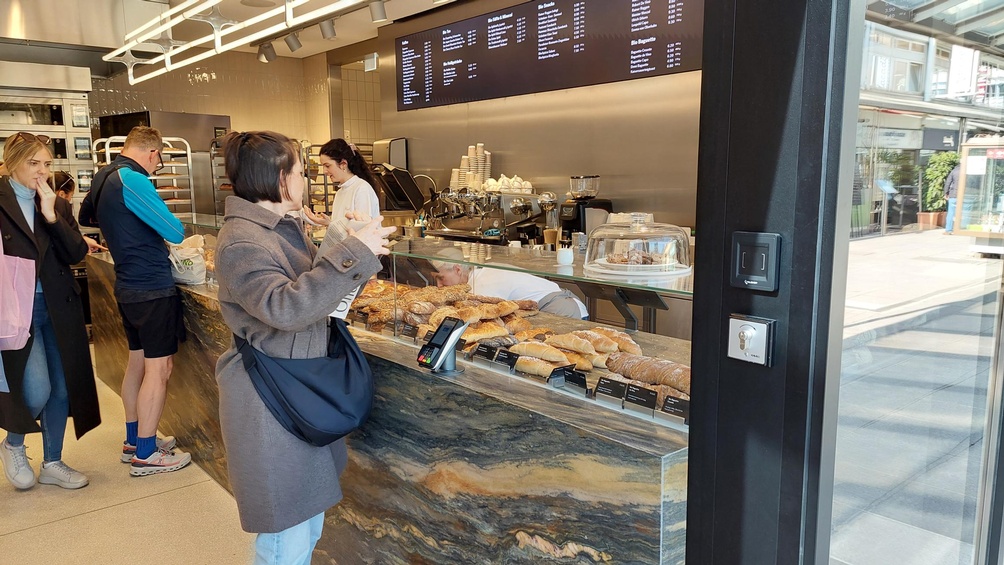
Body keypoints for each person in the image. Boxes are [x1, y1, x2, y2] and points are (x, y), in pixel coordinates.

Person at [213, 130, 395, 563]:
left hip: (297, 384)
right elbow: (286, 307)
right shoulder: (242, 240)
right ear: (279, 178)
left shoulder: (279, 228)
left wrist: (343, 242)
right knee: (285, 536)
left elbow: (312, 284)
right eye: (299, 171)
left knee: (305, 524)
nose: (307, 180)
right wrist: (351, 253)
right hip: (270, 396)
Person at [78, 126, 191, 476]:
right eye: (159, 159)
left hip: (127, 286)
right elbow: (174, 231)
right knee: (160, 369)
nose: (157, 167)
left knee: (137, 364)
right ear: (152, 152)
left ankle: (133, 439)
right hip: (152, 288)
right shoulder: (133, 179)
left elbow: (86, 218)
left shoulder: (103, 176)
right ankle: (146, 453)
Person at [0, 132, 99, 490]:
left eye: (46, 164)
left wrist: (51, 216)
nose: (41, 172)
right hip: (17, 311)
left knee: (62, 388)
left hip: (59, 306)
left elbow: (75, 253)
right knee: (37, 387)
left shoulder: (56, 205)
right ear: (13, 163)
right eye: (33, 163)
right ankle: (13, 443)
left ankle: (53, 461)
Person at [431, 247, 588, 318]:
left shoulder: (482, 284)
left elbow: (489, 315)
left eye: (441, 278)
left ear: (458, 270)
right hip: (556, 305)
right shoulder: (479, 274)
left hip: (561, 308)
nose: (438, 285)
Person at [302, 138, 380, 226]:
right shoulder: (340, 192)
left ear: (343, 164)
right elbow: (343, 227)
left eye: (327, 166)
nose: (324, 171)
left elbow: (363, 229)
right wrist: (328, 223)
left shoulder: (361, 189)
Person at [50, 171, 106, 254]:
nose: (70, 200)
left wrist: (82, 239)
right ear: (61, 194)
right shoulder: (59, 212)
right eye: (71, 196)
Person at [944, 163, 960, 235]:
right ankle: (963, 229)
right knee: (966, 212)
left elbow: (948, 182)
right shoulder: (969, 171)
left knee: (951, 212)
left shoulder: (954, 171)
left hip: (953, 195)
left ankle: (948, 230)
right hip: (966, 195)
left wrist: (946, 193)